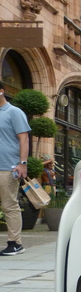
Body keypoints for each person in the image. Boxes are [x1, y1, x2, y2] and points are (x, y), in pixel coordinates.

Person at [0, 80, 30, 256]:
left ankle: (15, 243)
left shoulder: (14, 112)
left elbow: (23, 139)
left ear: (1, 91)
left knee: (9, 205)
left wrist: (23, 163)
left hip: (8, 167)